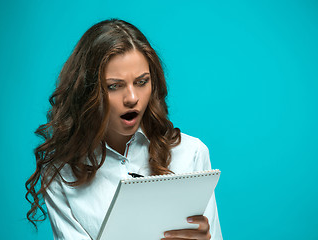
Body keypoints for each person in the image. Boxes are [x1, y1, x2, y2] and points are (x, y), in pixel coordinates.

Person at [25, 18, 223, 240]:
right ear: (87, 92)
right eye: (114, 86)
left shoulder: (191, 153)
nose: (132, 98)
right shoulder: (62, 174)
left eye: (141, 82)